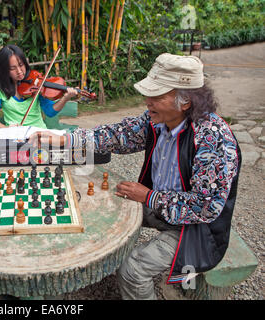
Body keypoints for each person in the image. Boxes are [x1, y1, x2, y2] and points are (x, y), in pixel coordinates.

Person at [29, 53, 242, 299]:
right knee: (102, 204)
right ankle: (92, 259)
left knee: (133, 270)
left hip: (197, 230)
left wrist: (149, 197)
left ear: (185, 102)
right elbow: (117, 135)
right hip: (159, 204)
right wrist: (65, 138)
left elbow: (206, 207)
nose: (147, 101)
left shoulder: (213, 139)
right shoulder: (157, 120)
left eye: (157, 95)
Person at [0, 44, 78, 128]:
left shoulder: (36, 82)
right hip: (15, 136)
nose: (19, 71)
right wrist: (7, 129)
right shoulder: (0, 87)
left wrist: (65, 98)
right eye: (13, 68)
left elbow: (50, 111)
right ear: (4, 70)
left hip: (38, 134)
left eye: (21, 65)